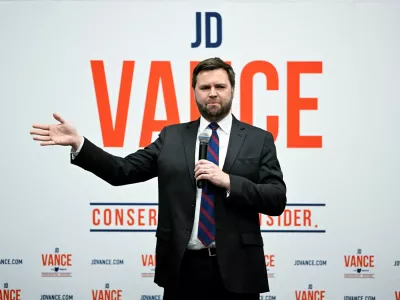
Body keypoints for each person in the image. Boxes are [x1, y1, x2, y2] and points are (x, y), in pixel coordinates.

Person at [30, 57, 287, 300]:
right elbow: (122, 171)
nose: (212, 92)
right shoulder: (172, 137)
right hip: (183, 268)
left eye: (220, 86)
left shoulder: (258, 139)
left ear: (232, 90)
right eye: (204, 86)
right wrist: (80, 144)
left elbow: (276, 198)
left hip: (239, 269)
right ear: (194, 91)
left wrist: (229, 181)